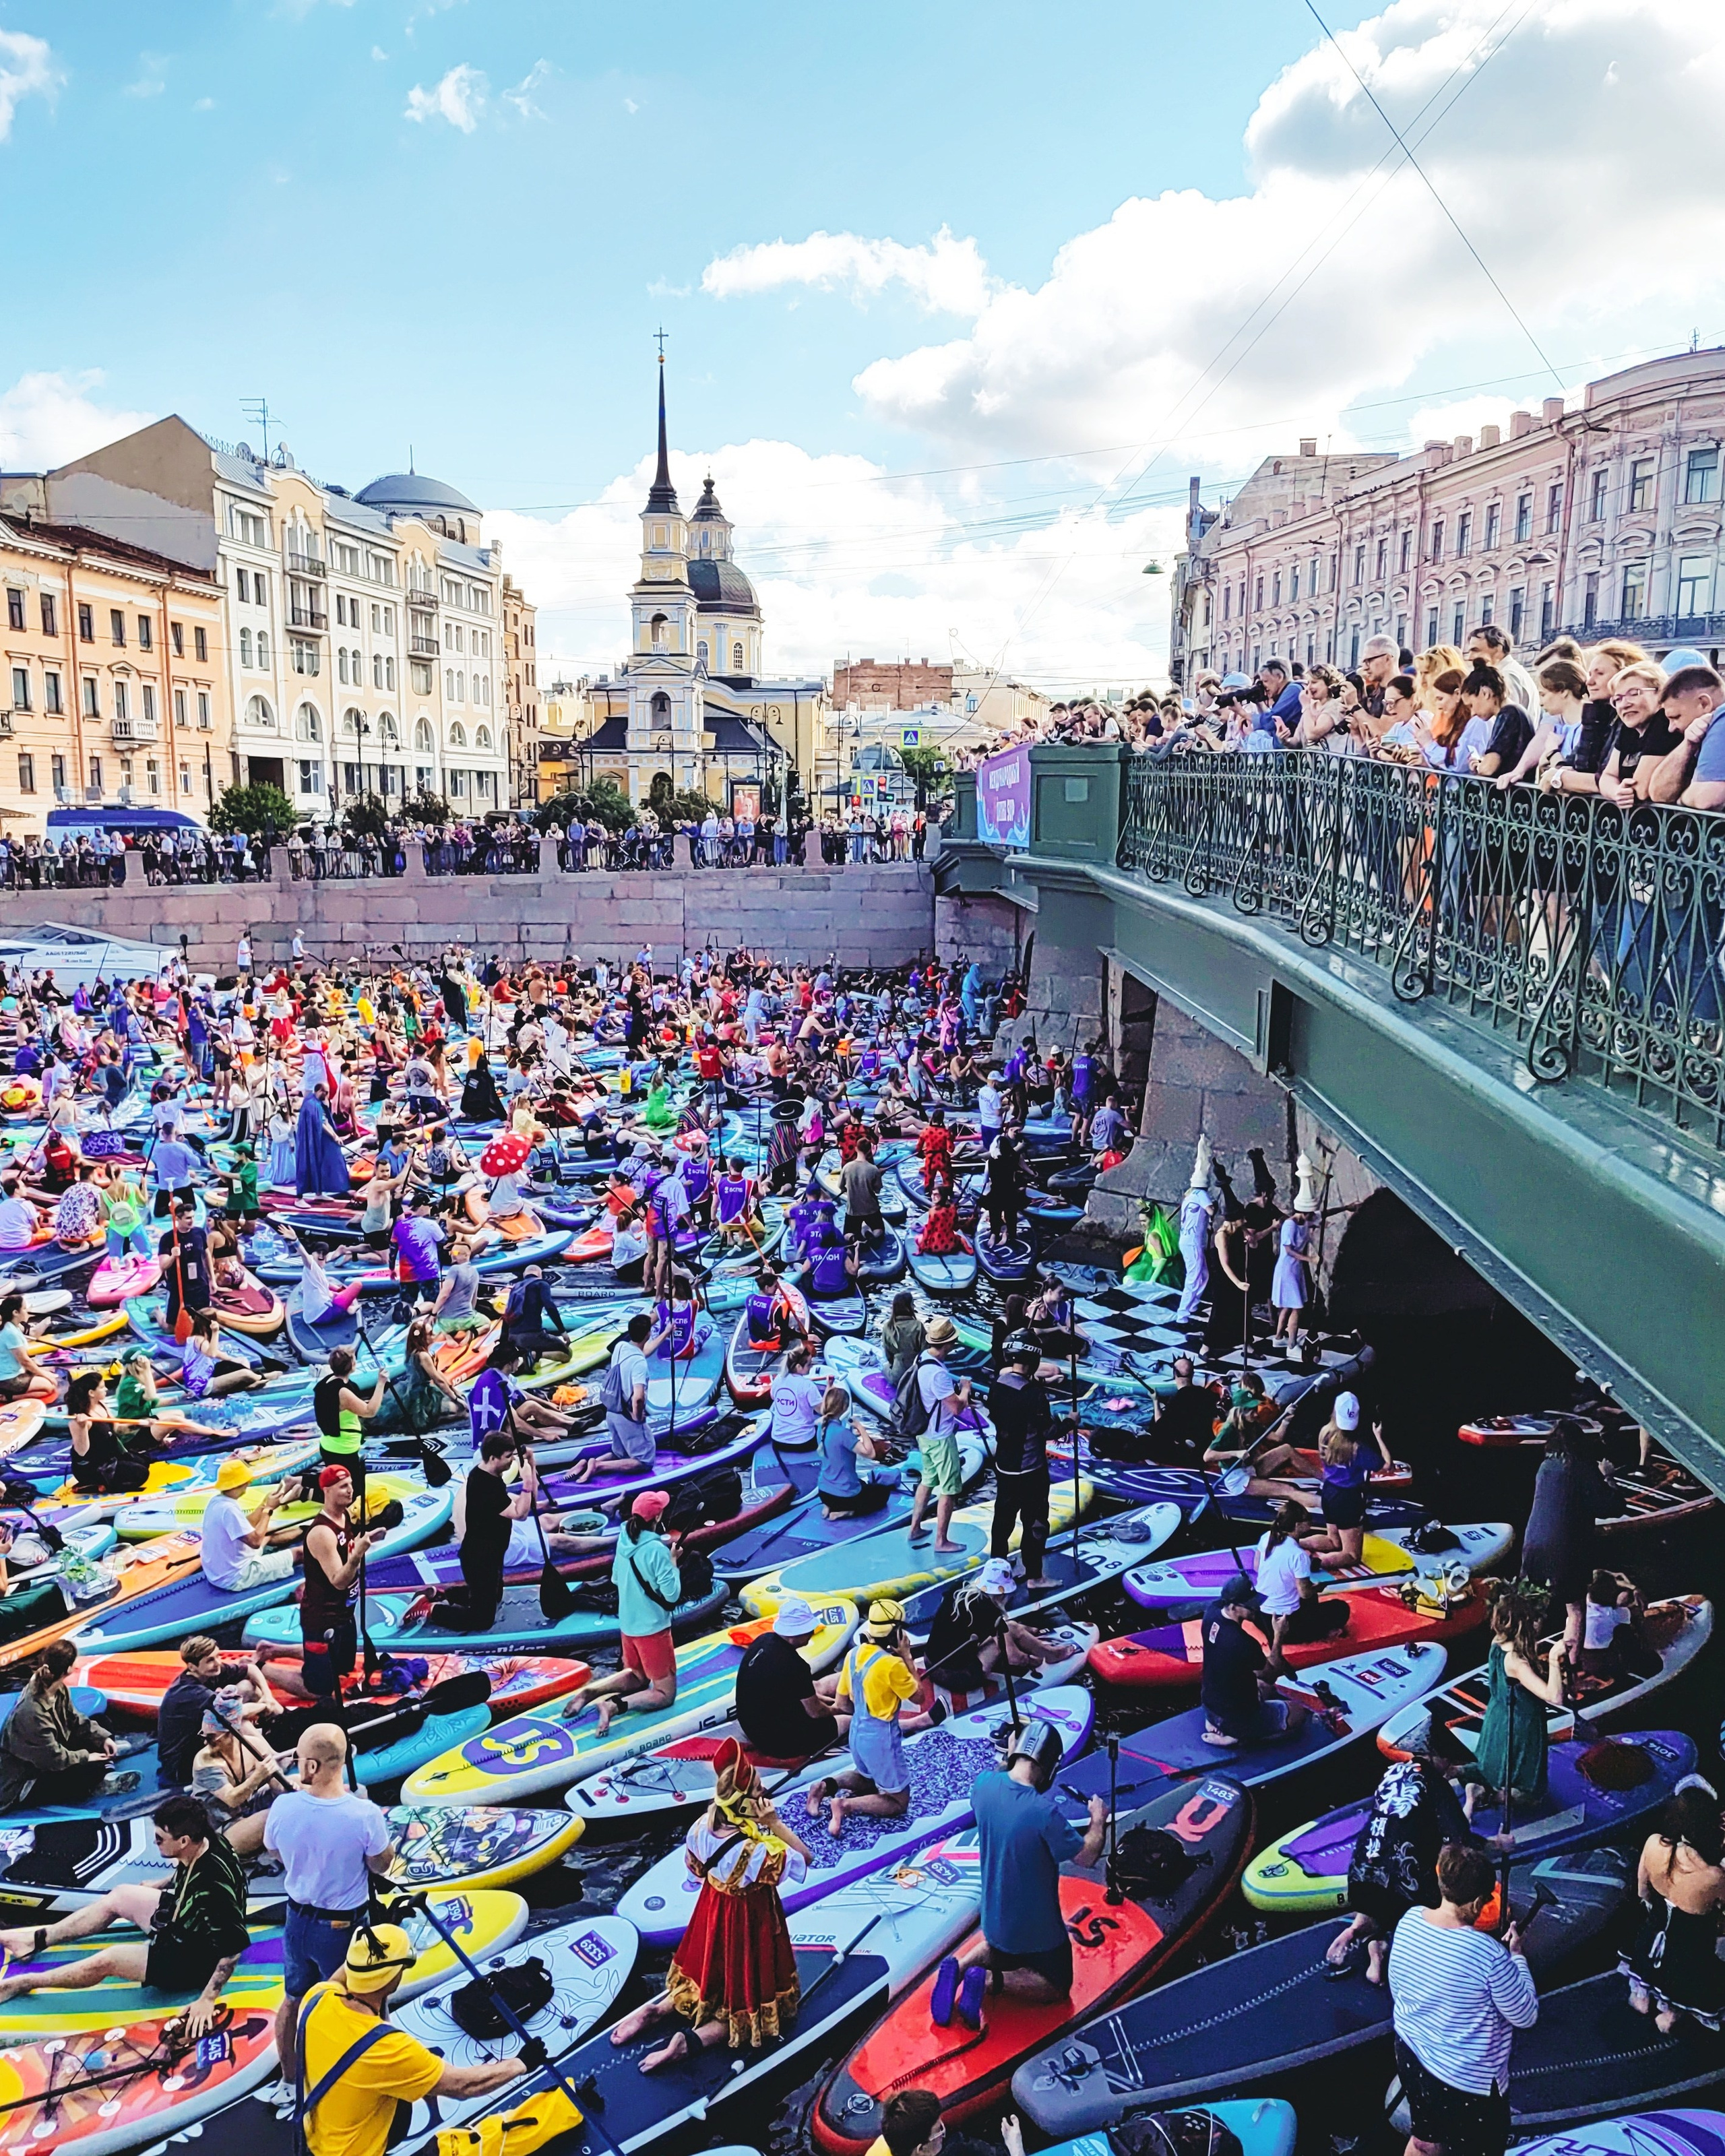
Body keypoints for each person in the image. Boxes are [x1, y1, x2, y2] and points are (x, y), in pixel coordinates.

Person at [605, 1737, 811, 2071]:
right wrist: (773, 1824)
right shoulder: (754, 1852)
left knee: (708, 1973)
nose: (764, 1795)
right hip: (748, 1918)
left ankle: (656, 2010)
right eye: (758, 1791)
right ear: (745, 1801)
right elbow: (804, 1858)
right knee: (746, 1999)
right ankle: (689, 2043)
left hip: (712, 1910)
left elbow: (695, 1869)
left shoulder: (701, 1827)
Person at [0, 1794, 249, 2033]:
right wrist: (162, 1884)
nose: (155, 1843)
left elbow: (232, 1947)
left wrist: (207, 1999)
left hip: (191, 1959)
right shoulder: (206, 1840)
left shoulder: (212, 1888)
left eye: (160, 1839)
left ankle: (25, 1983)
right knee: (121, 1895)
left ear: (183, 1841)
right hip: (180, 1918)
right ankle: (36, 1939)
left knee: (108, 1960)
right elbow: (189, 1866)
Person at [294, 1920, 526, 2156]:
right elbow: (464, 2085)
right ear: (394, 1975)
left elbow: (345, 1976)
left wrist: (372, 1946)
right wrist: (520, 2063)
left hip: (315, 2141)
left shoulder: (317, 1998)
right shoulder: (388, 2049)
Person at [259, 1723, 399, 2110]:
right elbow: (381, 1866)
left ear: (314, 1766)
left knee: (293, 1999)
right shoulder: (364, 1813)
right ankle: (368, 2079)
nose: (296, 1766)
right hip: (342, 1927)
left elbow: (275, 1853)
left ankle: (290, 2082)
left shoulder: (283, 1806)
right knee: (360, 2002)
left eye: (300, 1759)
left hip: (296, 1920)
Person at [934, 1717, 1107, 2025]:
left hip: (994, 1919)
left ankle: (959, 1969)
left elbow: (1003, 1774)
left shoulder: (983, 1786)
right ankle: (989, 1983)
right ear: (1050, 1767)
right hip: (1038, 1933)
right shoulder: (1045, 1813)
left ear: (1015, 1751)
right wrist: (1097, 1820)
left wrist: (1010, 1754)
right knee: (1057, 1987)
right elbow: (1087, 1857)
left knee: (998, 1947)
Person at [1387, 1841, 1538, 2156]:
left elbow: (1398, 1985)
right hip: (1467, 2083)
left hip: (1411, 2056)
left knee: (1425, 2142)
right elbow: (1525, 2015)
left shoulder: (1409, 1921)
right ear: (1478, 1902)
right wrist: (1517, 1958)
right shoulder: (1489, 1954)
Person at [1327, 1733, 1477, 1984]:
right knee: (1443, 1888)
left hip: (1361, 1870)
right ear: (1436, 1757)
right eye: (1448, 1760)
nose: (1450, 1767)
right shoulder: (1436, 1784)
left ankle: (1362, 1931)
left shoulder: (1393, 1773)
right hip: (1404, 1882)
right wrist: (1497, 1844)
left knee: (1376, 1904)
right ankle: (1389, 1948)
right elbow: (1459, 1840)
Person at [561, 1490, 682, 1735]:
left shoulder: (624, 1540)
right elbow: (672, 1595)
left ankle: (590, 1691)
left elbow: (616, 1578)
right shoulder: (657, 1550)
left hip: (628, 1626)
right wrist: (673, 1562)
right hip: (652, 1630)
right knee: (664, 1694)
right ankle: (614, 1705)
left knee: (637, 1676)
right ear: (658, 1516)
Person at [809, 1599, 932, 1836]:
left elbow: (843, 1703)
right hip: (881, 1736)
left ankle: (826, 1786)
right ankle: (844, 1805)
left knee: (866, 1779)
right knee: (899, 1801)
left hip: (857, 1730)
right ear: (896, 1633)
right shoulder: (892, 1665)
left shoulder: (853, 1655)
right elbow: (919, 1697)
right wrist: (907, 1657)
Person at [1622, 1785, 1725, 2034]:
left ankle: (1642, 1998)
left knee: (1650, 1955)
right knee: (1690, 1975)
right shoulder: (1713, 1875)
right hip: (1691, 1948)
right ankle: (1670, 2016)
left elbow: (1642, 1891)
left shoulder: (1654, 1843)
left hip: (1654, 1927)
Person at [1520, 1417, 1613, 1656]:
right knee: (1575, 1610)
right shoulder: (1582, 1467)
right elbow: (1610, 1507)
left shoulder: (1545, 1467)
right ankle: (1570, 1667)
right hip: (1566, 1548)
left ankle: (1523, 1661)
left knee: (1535, 1605)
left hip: (1533, 1544)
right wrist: (1608, 1477)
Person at [1474, 1579, 1565, 1808]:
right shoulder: (1516, 1662)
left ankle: (1483, 1788)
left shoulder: (1497, 1641)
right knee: (1524, 1780)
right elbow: (1554, 1697)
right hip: (1521, 1723)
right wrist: (1554, 1659)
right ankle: (1493, 1798)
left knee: (1502, 1764)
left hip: (1498, 1714)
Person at [299, 1465, 383, 1702]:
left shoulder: (344, 1516)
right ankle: (264, 1667)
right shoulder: (322, 1533)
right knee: (320, 1691)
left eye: (351, 1485)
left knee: (344, 1665)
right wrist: (358, 1554)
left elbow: (346, 1549)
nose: (351, 1491)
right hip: (323, 1618)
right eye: (343, 1487)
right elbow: (338, 1581)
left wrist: (366, 1539)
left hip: (345, 1613)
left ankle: (276, 1650)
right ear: (326, 1490)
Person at [0, 1637, 117, 1808]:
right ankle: (102, 1774)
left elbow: (76, 1719)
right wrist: (86, 1757)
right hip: (26, 1779)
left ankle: (105, 1764)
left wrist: (102, 1738)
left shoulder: (58, 1688)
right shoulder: (33, 1713)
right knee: (89, 1770)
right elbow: (52, 1759)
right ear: (69, 1669)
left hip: (50, 1753)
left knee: (102, 1722)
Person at [924, 1559, 1068, 1698]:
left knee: (1009, 1628)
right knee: (1004, 1638)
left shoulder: (960, 1588)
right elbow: (1013, 1658)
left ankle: (1037, 1642)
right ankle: (1050, 1655)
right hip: (958, 1676)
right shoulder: (989, 1611)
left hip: (931, 1663)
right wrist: (1032, 1660)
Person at [1199, 1573, 1310, 1749]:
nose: (1256, 1608)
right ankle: (1238, 1738)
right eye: (1250, 1606)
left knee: (1266, 1688)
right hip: (1236, 1719)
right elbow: (1272, 1671)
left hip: (1210, 1703)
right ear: (1234, 1607)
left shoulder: (1211, 1613)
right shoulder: (1243, 1643)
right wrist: (1279, 1635)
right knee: (1299, 1714)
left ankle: (1214, 1721)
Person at [735, 1596, 845, 1761]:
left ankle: (853, 1679)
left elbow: (792, 1688)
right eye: (809, 1630)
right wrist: (840, 1708)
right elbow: (817, 1713)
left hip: (751, 1724)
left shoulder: (763, 1640)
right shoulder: (795, 1666)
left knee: (816, 1686)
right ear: (797, 1633)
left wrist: (826, 1701)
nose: (812, 1633)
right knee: (848, 1722)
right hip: (779, 1742)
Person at [160, 1635, 276, 1789]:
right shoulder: (190, 1692)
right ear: (192, 1666)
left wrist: (268, 1696)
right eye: (210, 1660)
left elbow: (251, 1669)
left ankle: (280, 1722)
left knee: (247, 1686)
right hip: (181, 1766)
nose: (218, 1664)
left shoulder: (208, 1672)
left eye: (217, 1657)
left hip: (203, 1737)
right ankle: (272, 1757)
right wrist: (264, 1706)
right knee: (235, 1721)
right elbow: (234, 1713)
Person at [988, 1332, 1057, 1588]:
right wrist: (1071, 1421)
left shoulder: (998, 1385)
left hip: (1003, 1465)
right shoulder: (1034, 1394)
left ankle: (996, 1572)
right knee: (1035, 1521)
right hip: (1030, 1470)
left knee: (1002, 1521)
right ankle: (1035, 1576)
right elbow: (1048, 1431)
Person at [455, 1429, 542, 1631]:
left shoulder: (488, 1473)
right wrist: (527, 1481)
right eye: (508, 1457)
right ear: (493, 1458)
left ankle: (444, 1595)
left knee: (495, 1597)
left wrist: (531, 1462)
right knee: (482, 1620)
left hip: (493, 1554)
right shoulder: (486, 1486)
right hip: (479, 1558)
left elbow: (532, 1504)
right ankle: (431, 1609)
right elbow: (521, 1513)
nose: (512, 1461)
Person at [1252, 1502, 1350, 1673]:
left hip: (1262, 1617)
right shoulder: (1298, 1556)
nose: (1310, 1523)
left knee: (1307, 1595)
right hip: (1286, 1627)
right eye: (1308, 1520)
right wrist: (1316, 1588)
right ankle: (1323, 1633)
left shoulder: (1267, 1537)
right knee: (1340, 1608)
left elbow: (1256, 1566)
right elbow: (1305, 1594)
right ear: (1297, 1525)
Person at [1300, 1393, 1395, 1567]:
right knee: (1352, 1555)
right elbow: (1387, 1465)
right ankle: (1311, 1563)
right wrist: (1378, 1436)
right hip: (1348, 1499)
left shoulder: (1324, 1433)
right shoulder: (1357, 1448)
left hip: (1328, 1492)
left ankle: (1296, 1545)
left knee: (1333, 1541)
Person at [904, 1315, 970, 1555]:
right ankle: (942, 1541)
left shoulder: (923, 1359)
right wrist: (965, 1390)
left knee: (928, 1480)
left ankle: (915, 1528)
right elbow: (956, 1408)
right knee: (950, 1488)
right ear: (948, 1344)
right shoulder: (939, 1375)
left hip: (924, 1434)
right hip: (941, 1438)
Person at [572, 1310, 662, 1480]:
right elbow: (638, 1397)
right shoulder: (639, 1363)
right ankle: (599, 1465)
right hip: (627, 1416)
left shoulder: (621, 1347)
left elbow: (639, 1337)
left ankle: (586, 1464)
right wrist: (637, 1416)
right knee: (645, 1461)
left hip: (612, 1411)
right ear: (649, 1334)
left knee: (619, 1452)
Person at [201, 1455, 302, 1593]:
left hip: (217, 1572)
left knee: (269, 1534)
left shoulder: (217, 1501)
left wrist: (264, 1504)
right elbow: (256, 1541)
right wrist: (269, 1510)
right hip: (237, 1576)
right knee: (300, 1553)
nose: (249, 1484)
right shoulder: (229, 1509)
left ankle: (305, 1529)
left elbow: (247, 1525)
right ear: (241, 1483)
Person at [867, 2091, 1028, 2156]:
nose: (944, 2133)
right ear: (922, 2149)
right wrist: (1016, 2150)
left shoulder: (883, 2145)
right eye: (939, 2131)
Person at [815, 1381, 891, 1518]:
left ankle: (829, 1507)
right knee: (883, 1494)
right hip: (844, 1498)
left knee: (861, 1483)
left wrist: (829, 1387)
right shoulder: (844, 1434)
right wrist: (860, 1427)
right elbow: (871, 1453)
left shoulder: (821, 1428)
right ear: (844, 1408)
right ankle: (846, 1512)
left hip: (824, 1493)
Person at [313, 1344, 387, 1484]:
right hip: (343, 1449)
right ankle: (301, 1490)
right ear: (352, 1365)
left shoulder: (328, 1381)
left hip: (330, 1444)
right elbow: (369, 1411)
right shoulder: (343, 1393)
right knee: (350, 1490)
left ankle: (298, 1483)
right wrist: (381, 1383)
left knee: (335, 1482)